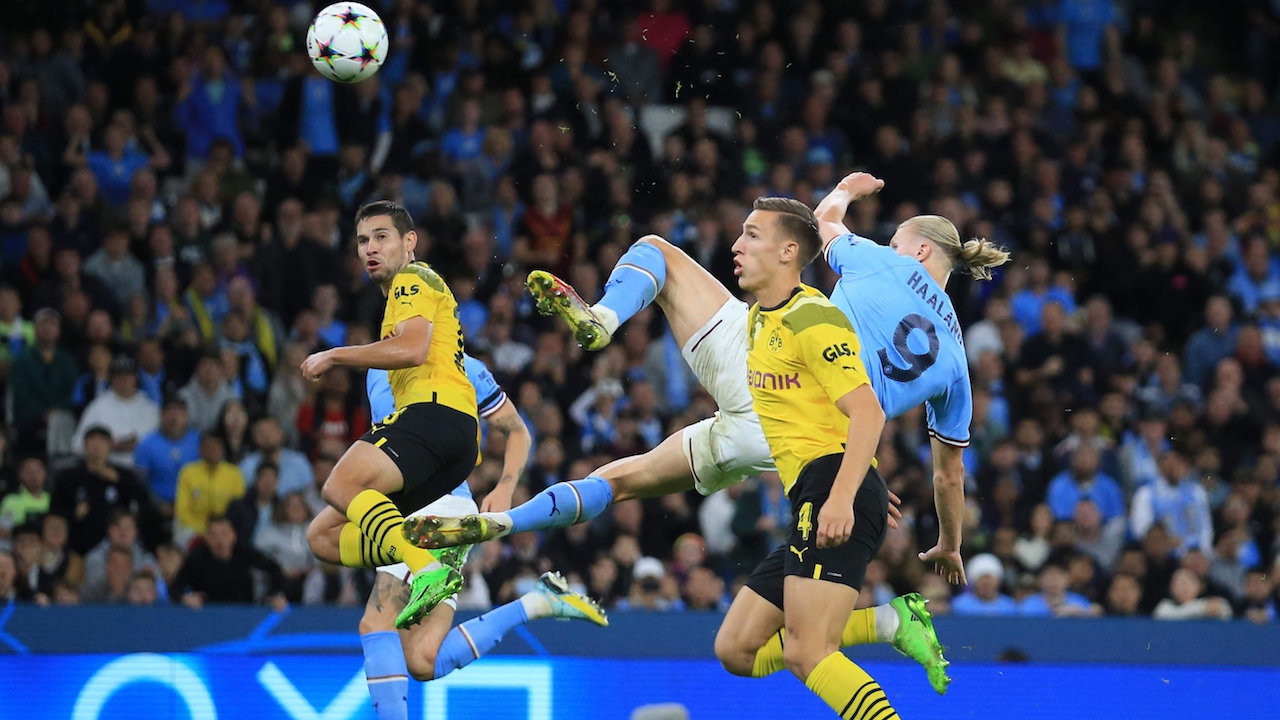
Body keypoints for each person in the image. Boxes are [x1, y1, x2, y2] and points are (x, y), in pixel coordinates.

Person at [709, 195, 900, 718]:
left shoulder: (814, 317)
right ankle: (889, 623)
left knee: (807, 652)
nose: (736, 245)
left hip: (831, 490)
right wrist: (861, 481)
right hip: (821, 489)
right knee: (736, 650)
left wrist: (847, 492)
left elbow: (869, 413)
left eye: (751, 234)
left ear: (788, 252)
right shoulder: (759, 318)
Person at [358, 357, 606, 720]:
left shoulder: (463, 366)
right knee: (423, 660)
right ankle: (537, 603)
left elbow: (517, 430)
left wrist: (506, 485)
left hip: (434, 509)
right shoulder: (378, 363)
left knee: (375, 623)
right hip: (411, 506)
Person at [300, 200, 481, 629]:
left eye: (381, 237)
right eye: (363, 240)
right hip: (456, 441)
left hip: (434, 414)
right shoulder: (412, 290)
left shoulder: (411, 279)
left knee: (341, 484)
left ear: (409, 241)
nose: (370, 248)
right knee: (322, 537)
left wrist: (334, 355)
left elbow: (412, 349)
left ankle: (426, 568)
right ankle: (432, 550)